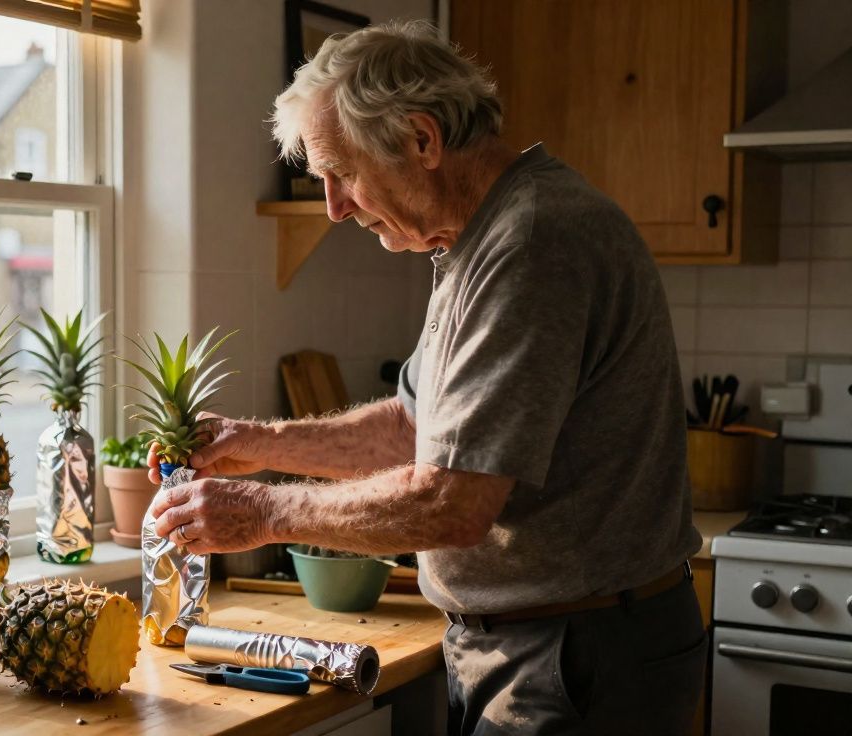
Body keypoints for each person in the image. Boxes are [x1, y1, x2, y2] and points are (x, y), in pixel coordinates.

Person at [146, 19, 705, 736]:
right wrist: (258, 441)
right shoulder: (475, 242)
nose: (334, 207)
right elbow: (416, 427)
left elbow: (452, 502)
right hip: (535, 644)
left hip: (578, 655)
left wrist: (260, 512)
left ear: (422, 140)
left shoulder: (532, 244)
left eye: (341, 173)